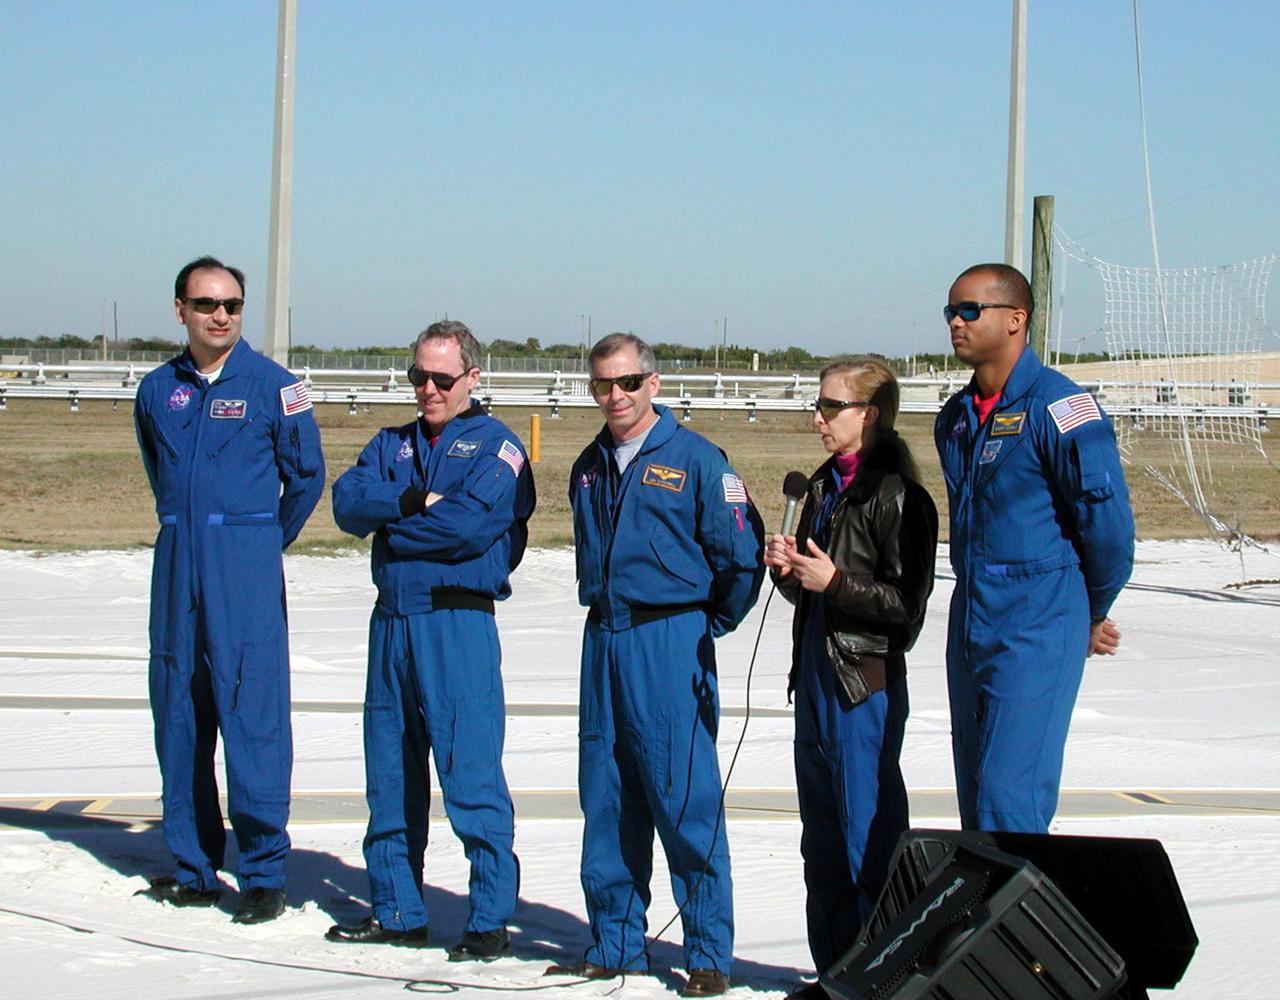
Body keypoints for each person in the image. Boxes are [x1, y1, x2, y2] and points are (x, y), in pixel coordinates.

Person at [545, 333, 764, 999]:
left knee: (684, 797)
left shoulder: (698, 461)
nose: (616, 396)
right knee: (607, 798)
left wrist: (704, 625)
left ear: (655, 383)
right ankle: (615, 943)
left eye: (628, 383)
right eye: (603, 385)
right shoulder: (588, 465)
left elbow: (740, 559)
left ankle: (706, 953)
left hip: (669, 640)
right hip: (604, 641)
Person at [327, 321, 535, 961]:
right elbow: (346, 505)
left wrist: (393, 524)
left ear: (473, 377)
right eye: (419, 376)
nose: (428, 389)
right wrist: (417, 499)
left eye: (442, 378)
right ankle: (396, 908)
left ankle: (489, 918)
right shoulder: (391, 443)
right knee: (388, 773)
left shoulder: (498, 447)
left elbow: (468, 529)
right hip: (391, 622)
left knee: (470, 776)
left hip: (456, 624)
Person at [133, 255, 325, 923]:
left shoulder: (279, 386)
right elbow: (159, 468)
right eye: (207, 304)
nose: (221, 316)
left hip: (243, 559)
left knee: (254, 713)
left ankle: (264, 869)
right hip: (179, 556)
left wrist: (262, 540)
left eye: (233, 305)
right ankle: (190, 862)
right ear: (180, 309)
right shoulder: (158, 389)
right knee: (180, 711)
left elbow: (307, 477)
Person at [936, 263, 1135, 834]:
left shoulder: (1061, 408)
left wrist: (1086, 613)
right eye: (951, 310)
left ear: (1016, 319)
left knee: (1010, 800)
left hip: (1037, 623)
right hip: (973, 621)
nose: (956, 321)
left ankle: (1024, 922)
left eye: (970, 310)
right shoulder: (955, 419)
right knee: (975, 800)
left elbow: (1109, 531)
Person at [765, 360, 938, 997]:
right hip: (814, 675)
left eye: (830, 405)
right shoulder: (820, 489)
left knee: (868, 835)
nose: (818, 416)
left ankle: (885, 974)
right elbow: (819, 600)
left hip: (861, 685)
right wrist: (792, 578)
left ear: (868, 413)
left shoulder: (899, 496)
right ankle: (835, 970)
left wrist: (833, 582)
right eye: (818, 403)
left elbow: (904, 612)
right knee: (822, 842)